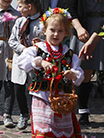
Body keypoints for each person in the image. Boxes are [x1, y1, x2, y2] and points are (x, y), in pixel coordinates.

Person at [17, 8, 84, 137]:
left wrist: (73, 74)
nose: (55, 34)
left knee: (61, 133)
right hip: (42, 97)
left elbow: (79, 74)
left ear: (66, 33)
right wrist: (39, 62)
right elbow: (21, 62)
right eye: (52, 30)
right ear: (44, 30)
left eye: (60, 31)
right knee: (44, 131)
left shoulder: (69, 54)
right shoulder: (37, 49)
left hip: (62, 100)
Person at [64, 0, 104, 126]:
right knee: (83, 72)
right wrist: (79, 28)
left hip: (102, 27)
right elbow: (70, 8)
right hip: (83, 29)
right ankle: (83, 110)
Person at [8, 0, 44, 130]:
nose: (18, 9)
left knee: (36, 90)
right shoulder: (19, 21)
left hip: (36, 61)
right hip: (20, 59)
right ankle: (24, 114)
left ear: (29, 6)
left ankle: (37, 116)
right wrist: (23, 49)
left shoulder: (42, 22)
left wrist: (39, 44)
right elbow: (12, 40)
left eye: (21, 6)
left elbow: (47, 41)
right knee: (18, 88)